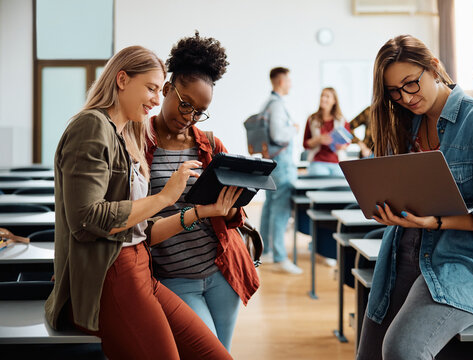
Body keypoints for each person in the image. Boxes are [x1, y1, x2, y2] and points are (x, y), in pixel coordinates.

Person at [44, 45, 236, 360]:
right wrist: (164, 197)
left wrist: (203, 211)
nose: (156, 99)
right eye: (150, 88)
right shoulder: (91, 126)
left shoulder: (126, 134)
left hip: (140, 266)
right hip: (114, 272)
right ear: (121, 79)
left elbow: (140, 227)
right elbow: (86, 219)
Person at [357, 35, 473, 360]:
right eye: (394, 91)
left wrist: (435, 222)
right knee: (370, 356)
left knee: (402, 350)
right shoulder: (404, 124)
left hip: (464, 264)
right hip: (401, 254)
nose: (404, 97)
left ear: (434, 67)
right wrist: (388, 207)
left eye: (410, 84)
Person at [145, 32, 259, 351]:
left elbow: (234, 217)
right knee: (206, 352)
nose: (189, 117)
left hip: (221, 271)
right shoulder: (139, 146)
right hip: (173, 277)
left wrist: (234, 203)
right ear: (167, 89)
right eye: (185, 104)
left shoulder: (209, 145)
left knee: (222, 351)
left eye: (199, 111)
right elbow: (139, 226)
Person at [259, 67, 302, 274]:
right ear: (281, 81)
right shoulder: (276, 105)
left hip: (273, 163)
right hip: (281, 165)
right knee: (280, 210)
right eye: (289, 80)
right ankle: (279, 257)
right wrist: (293, 128)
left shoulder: (268, 103)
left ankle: (266, 251)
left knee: (270, 206)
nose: (291, 84)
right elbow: (277, 135)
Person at [303, 87, 351, 176]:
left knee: (342, 182)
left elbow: (347, 143)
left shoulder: (342, 120)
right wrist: (318, 140)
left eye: (327, 96)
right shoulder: (312, 119)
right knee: (319, 177)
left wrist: (342, 146)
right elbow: (305, 144)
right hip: (318, 161)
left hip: (338, 163)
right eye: (322, 96)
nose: (323, 98)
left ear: (334, 101)